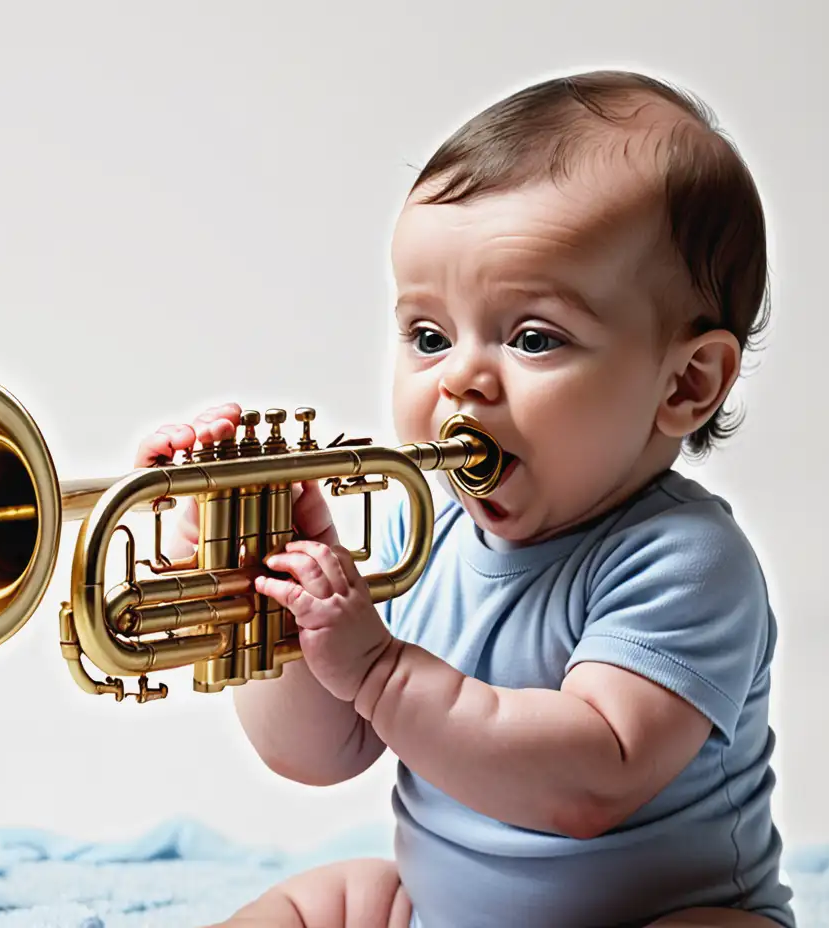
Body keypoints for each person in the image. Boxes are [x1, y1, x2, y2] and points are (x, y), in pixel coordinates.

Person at [135, 70, 794, 928]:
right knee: (325, 901)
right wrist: (264, 596)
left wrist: (380, 670)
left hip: (668, 913)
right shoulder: (427, 525)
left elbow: (594, 777)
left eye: (532, 338)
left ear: (685, 384)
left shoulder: (686, 560)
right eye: (428, 335)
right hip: (444, 912)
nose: (460, 378)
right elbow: (316, 753)